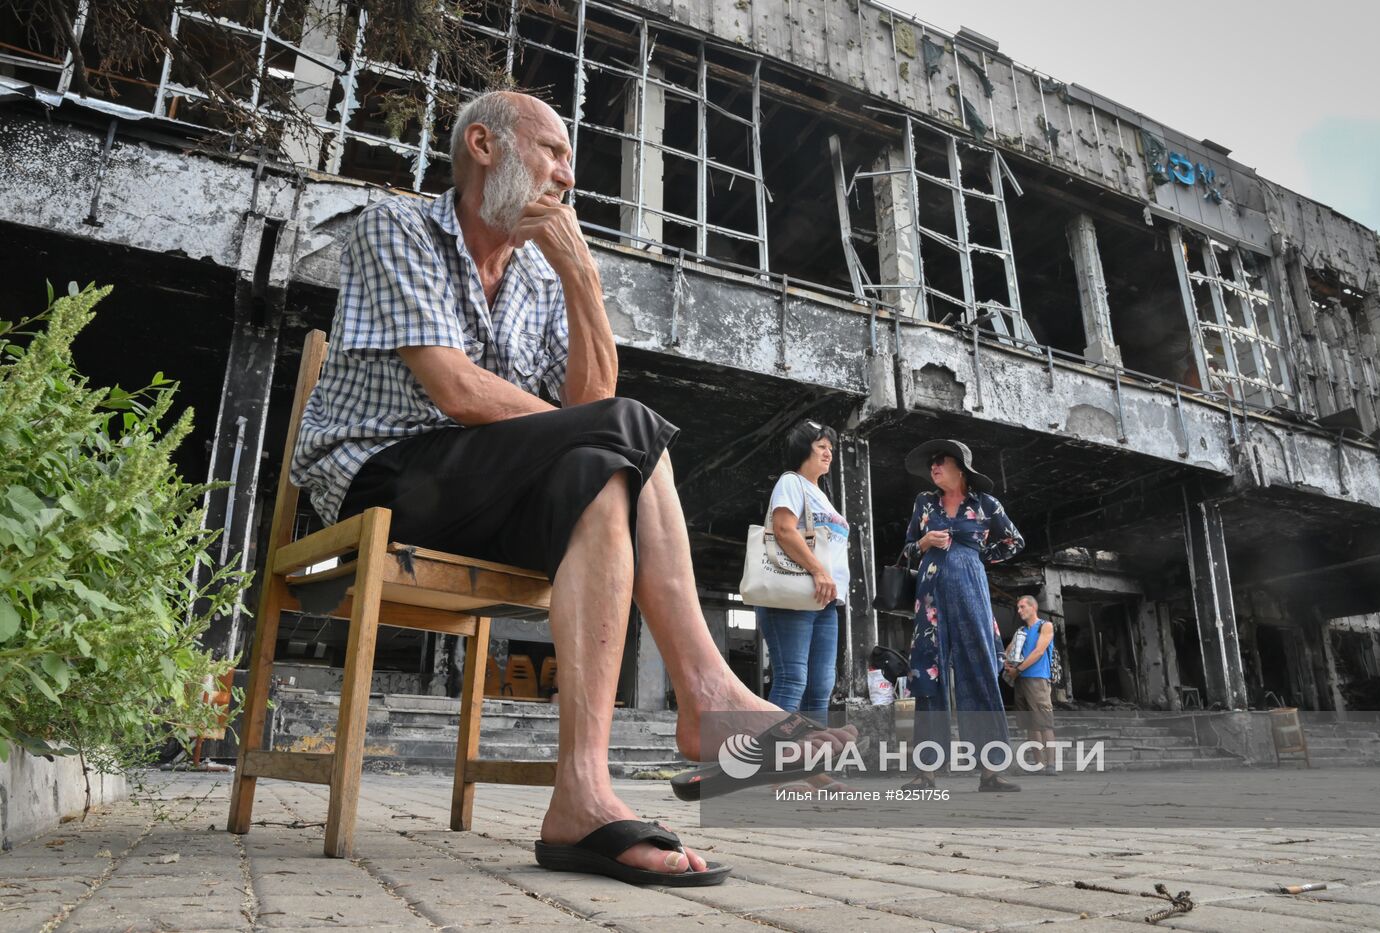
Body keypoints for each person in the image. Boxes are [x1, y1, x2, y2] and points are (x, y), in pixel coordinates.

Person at [291, 90, 849, 886]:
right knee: (621, 436)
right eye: (553, 150)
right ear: (483, 145)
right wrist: (598, 428)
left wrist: (581, 275)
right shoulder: (396, 226)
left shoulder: (539, 274)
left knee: (604, 468)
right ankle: (706, 693)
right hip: (382, 479)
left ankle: (582, 794)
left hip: (485, 491)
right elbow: (456, 390)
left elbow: (592, 404)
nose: (567, 174)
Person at [899, 439, 1024, 793]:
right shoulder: (924, 503)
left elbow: (1014, 542)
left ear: (962, 468)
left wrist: (976, 554)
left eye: (941, 461)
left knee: (980, 673)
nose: (934, 467)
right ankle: (926, 773)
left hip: (971, 592)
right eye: (931, 463)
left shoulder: (986, 504)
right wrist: (924, 544)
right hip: (931, 597)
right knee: (928, 676)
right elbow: (907, 550)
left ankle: (991, 772)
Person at [754, 421, 850, 724]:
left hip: (826, 601)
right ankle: (774, 752)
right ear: (803, 449)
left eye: (830, 448)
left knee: (820, 688)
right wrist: (818, 571)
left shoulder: (821, 494)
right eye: (821, 446)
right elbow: (783, 529)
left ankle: (810, 752)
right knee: (792, 679)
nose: (828, 453)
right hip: (794, 596)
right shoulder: (791, 482)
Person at [1004, 595, 1056, 772]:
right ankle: (1039, 763)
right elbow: (1008, 651)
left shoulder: (1045, 626)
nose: (1019, 611)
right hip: (1021, 680)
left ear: (1033, 607)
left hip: (1037, 679)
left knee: (1044, 722)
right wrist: (1007, 663)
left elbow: (1039, 652)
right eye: (1018, 608)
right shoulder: (1021, 631)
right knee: (1030, 724)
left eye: (1022, 607)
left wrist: (1017, 669)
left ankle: (1051, 764)